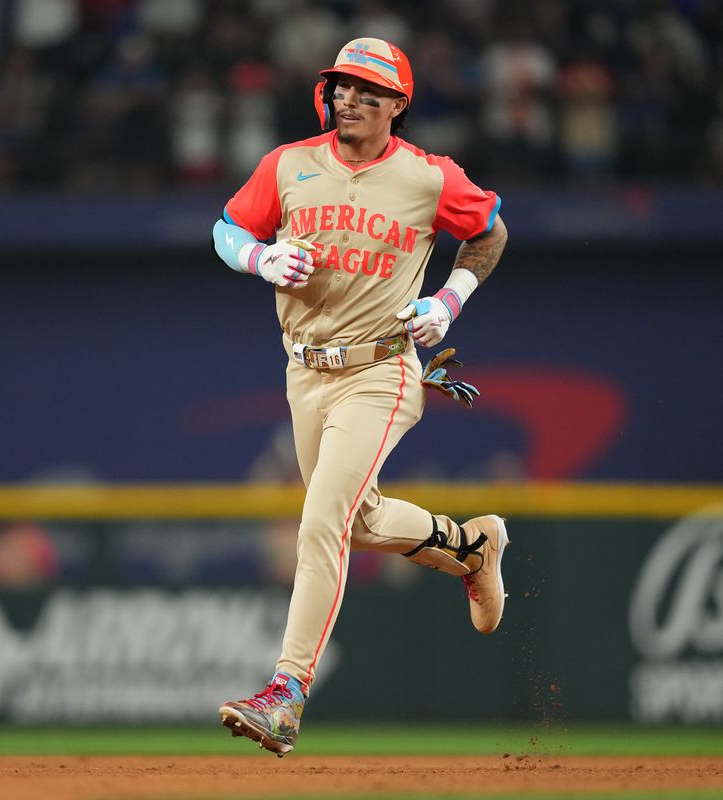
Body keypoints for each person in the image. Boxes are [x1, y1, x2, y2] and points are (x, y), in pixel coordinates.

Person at [210, 37, 510, 756]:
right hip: (304, 369)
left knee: (319, 522)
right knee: (360, 520)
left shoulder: (429, 178)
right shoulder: (287, 165)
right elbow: (225, 228)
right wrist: (257, 256)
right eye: (342, 85)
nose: (349, 98)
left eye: (367, 91)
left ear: (398, 106)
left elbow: (489, 231)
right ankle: (470, 546)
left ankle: (285, 693)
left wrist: (449, 300)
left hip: (382, 369)